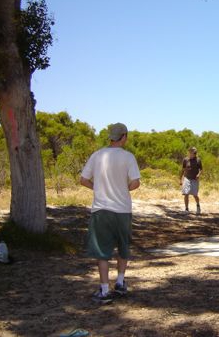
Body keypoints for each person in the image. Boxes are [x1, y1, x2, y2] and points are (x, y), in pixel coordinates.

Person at [80, 123, 141, 304]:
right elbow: (136, 182)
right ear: (123, 137)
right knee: (123, 247)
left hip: (101, 209)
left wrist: (98, 188)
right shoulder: (128, 157)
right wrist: (124, 189)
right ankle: (120, 282)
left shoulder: (97, 155)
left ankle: (104, 290)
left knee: (102, 251)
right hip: (122, 209)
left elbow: (83, 180)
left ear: (110, 137)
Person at [180, 146, 202, 214]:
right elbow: (183, 170)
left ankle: (198, 206)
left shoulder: (198, 160)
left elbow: (201, 169)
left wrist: (198, 175)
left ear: (194, 153)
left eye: (191, 151)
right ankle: (186, 209)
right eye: (189, 151)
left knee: (195, 195)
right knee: (186, 193)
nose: (190, 152)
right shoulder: (185, 160)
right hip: (187, 178)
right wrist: (180, 179)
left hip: (194, 179)